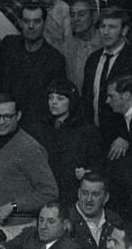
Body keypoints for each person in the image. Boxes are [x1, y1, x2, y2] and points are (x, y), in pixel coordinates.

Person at [0, 1, 67, 127]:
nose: (31, 26)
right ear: (21, 22)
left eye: (36, 21)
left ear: (44, 23)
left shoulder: (55, 59)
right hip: (3, 117)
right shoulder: (9, 45)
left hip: (34, 124)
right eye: (27, 21)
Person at [0, 93, 58, 237]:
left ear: (18, 116)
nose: (1, 121)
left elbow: (50, 192)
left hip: (20, 228)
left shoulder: (30, 148)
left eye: (7, 117)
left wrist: (13, 206)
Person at [81, 7, 132, 140]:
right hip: (93, 136)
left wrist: (126, 136)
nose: (106, 32)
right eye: (102, 26)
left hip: (122, 140)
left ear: (124, 30)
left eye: (112, 27)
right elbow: (87, 99)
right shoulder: (93, 59)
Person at [27, 79, 103, 208]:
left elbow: (98, 165)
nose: (54, 102)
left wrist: (86, 172)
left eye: (60, 98)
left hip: (73, 194)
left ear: (71, 102)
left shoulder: (87, 131)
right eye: (51, 98)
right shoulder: (40, 130)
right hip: (46, 194)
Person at [59, 0, 101, 91]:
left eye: (81, 14)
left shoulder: (107, 43)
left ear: (94, 17)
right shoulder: (65, 49)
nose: (75, 19)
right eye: (72, 15)